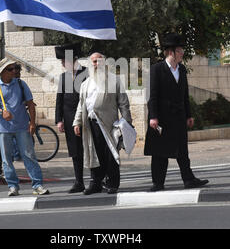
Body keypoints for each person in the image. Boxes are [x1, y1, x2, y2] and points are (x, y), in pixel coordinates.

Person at [144, 32, 209, 191]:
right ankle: (158, 183)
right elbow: (152, 95)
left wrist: (188, 114)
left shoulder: (182, 69)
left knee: (182, 150)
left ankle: (188, 179)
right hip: (161, 118)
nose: (183, 53)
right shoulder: (156, 69)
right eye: (180, 50)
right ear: (171, 52)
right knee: (160, 151)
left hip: (178, 117)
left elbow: (184, 94)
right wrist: (153, 116)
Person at [0, 58, 49, 197]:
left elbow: (31, 104)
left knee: (29, 156)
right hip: (4, 128)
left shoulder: (21, 84)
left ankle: (37, 185)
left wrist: (32, 123)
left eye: (15, 68)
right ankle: (13, 186)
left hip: (22, 126)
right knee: (6, 159)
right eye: (10, 69)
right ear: (2, 72)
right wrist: (1, 112)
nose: (14, 71)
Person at [73, 52, 132, 195]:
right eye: (93, 61)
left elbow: (123, 104)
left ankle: (112, 183)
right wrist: (77, 122)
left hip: (110, 125)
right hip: (90, 124)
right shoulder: (85, 83)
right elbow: (81, 105)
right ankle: (96, 183)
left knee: (110, 154)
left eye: (99, 61)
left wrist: (126, 123)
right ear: (90, 64)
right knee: (94, 153)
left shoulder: (114, 81)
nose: (96, 64)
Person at [55, 43, 88, 193]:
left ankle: (98, 179)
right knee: (75, 152)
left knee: (90, 149)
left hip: (86, 118)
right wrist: (59, 120)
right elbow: (59, 99)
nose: (62, 64)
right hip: (69, 119)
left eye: (63, 61)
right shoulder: (64, 77)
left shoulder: (87, 73)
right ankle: (79, 181)